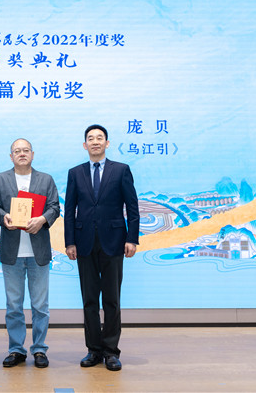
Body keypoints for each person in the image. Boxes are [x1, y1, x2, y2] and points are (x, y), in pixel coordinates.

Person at [64, 124, 140, 371]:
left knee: (111, 300)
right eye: (90, 138)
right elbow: (69, 211)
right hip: (84, 244)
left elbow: (132, 207)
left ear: (107, 143)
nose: (95, 141)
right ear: (84, 145)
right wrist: (70, 242)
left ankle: (111, 351)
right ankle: (93, 350)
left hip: (114, 242)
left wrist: (132, 238)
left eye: (99, 138)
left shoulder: (121, 170)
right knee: (89, 300)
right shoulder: (75, 173)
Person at [0, 139, 60, 369]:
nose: (21, 154)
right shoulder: (1, 179)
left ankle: (39, 349)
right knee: (13, 306)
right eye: (17, 151)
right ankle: (16, 349)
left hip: (38, 251)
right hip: (12, 252)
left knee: (40, 306)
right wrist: (4, 217)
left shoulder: (45, 179)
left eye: (25, 150)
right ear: (11, 156)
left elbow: (55, 207)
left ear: (33, 154)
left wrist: (43, 219)